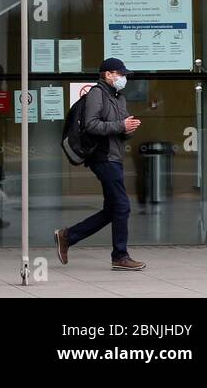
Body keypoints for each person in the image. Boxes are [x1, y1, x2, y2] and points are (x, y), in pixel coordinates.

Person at [54, 57, 146, 272]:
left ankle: (67, 236)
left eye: (125, 75)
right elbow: (91, 125)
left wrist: (128, 129)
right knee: (122, 206)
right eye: (121, 74)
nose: (124, 78)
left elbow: (119, 129)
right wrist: (121, 125)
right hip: (102, 157)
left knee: (113, 209)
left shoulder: (119, 98)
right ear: (108, 74)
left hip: (115, 156)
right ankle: (120, 256)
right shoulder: (97, 94)